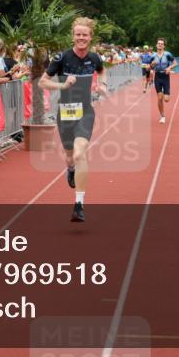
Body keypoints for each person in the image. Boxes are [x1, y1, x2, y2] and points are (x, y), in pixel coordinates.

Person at [39, 17, 109, 222]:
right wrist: (62, 86)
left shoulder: (95, 58)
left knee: (80, 154)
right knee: (70, 157)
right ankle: (69, 169)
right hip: (65, 112)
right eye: (78, 34)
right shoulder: (62, 58)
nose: (81, 38)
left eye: (84, 35)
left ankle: (79, 204)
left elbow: (102, 72)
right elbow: (43, 82)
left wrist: (102, 85)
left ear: (90, 37)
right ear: (73, 36)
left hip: (86, 112)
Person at [150, 38, 177, 124]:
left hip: (165, 77)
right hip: (157, 76)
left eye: (162, 43)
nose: (160, 45)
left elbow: (175, 63)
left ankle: (166, 95)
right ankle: (162, 116)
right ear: (156, 45)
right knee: (159, 98)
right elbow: (149, 67)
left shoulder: (168, 54)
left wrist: (169, 68)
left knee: (166, 99)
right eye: (158, 43)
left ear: (164, 45)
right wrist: (151, 65)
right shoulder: (153, 56)